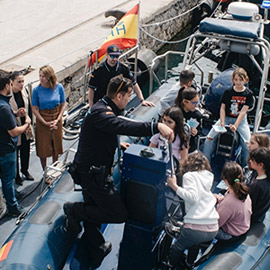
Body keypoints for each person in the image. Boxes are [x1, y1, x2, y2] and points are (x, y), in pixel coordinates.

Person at [63, 75, 173, 269]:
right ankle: (75, 210)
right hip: (92, 175)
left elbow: (105, 131)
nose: (129, 99)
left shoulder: (103, 109)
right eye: (128, 95)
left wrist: (117, 144)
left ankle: (96, 247)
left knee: (94, 210)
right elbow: (121, 125)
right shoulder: (101, 113)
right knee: (118, 214)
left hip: (92, 170)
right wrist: (155, 126)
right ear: (119, 96)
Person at [167, 151, 219, 269]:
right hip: (213, 228)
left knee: (178, 247)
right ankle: (189, 264)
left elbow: (193, 197)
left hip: (196, 228)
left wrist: (174, 186)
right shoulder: (209, 176)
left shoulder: (189, 176)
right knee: (195, 244)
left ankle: (170, 265)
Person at [203, 67, 254, 167]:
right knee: (209, 138)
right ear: (233, 80)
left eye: (240, 80)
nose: (238, 82)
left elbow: (243, 111)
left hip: (241, 121)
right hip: (226, 118)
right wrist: (222, 122)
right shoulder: (228, 92)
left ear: (245, 80)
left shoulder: (248, 94)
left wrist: (236, 125)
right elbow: (223, 108)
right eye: (236, 80)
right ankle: (206, 163)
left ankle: (245, 167)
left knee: (247, 144)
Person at [0, 74, 31, 216]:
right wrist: (26, 125)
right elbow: (13, 132)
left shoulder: (4, 106)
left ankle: (13, 194)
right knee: (8, 178)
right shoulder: (3, 107)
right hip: (5, 150)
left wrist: (15, 113)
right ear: (7, 86)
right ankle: (13, 207)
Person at [88, 44, 154, 108]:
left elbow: (134, 83)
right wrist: (91, 106)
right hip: (101, 100)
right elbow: (91, 88)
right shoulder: (99, 70)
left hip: (116, 102)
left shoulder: (123, 68)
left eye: (117, 56)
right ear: (107, 55)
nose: (114, 59)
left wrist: (142, 100)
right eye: (112, 56)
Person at [32, 65, 66, 174]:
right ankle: (45, 171)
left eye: (44, 76)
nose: (41, 79)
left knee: (56, 145)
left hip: (56, 118)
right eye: (40, 76)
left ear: (50, 77)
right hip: (43, 119)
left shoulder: (59, 87)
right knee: (43, 147)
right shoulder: (36, 90)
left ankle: (54, 168)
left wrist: (57, 119)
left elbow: (63, 104)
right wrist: (44, 122)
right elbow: (34, 109)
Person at [214, 162, 251, 241]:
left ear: (225, 180)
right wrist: (218, 198)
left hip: (231, 234)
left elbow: (215, 224)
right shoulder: (243, 192)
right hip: (242, 227)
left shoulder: (228, 203)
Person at [10, 71, 34, 186]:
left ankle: (25, 170)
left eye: (23, 81)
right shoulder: (8, 95)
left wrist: (29, 125)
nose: (21, 84)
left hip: (26, 127)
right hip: (14, 128)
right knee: (15, 153)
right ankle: (16, 176)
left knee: (25, 150)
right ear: (11, 82)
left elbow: (29, 109)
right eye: (19, 82)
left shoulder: (25, 91)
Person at [174, 86, 203, 152]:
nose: (196, 105)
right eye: (194, 103)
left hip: (190, 145)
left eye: (198, 102)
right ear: (185, 102)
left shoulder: (197, 115)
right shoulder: (175, 113)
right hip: (175, 143)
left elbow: (200, 130)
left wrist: (196, 132)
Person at [248, 147, 270, 224]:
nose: (250, 161)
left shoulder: (258, 185)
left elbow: (249, 204)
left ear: (261, 165)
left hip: (252, 217)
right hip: (260, 214)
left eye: (253, 160)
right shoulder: (263, 177)